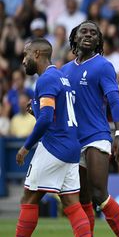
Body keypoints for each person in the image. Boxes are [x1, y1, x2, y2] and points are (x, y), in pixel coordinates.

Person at [15, 38, 91, 237]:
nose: (23, 60)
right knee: (72, 204)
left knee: (28, 199)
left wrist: (26, 147)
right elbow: (56, 115)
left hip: (54, 145)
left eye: (26, 54)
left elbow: (47, 118)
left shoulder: (46, 79)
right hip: (72, 147)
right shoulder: (61, 77)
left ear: (37, 54)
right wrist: (38, 112)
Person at [61, 20, 119, 237]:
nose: (88, 35)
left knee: (99, 193)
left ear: (99, 40)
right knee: (83, 199)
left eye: (93, 33)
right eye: (84, 31)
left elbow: (115, 101)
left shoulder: (103, 66)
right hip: (74, 140)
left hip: (97, 136)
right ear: (74, 38)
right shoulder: (64, 70)